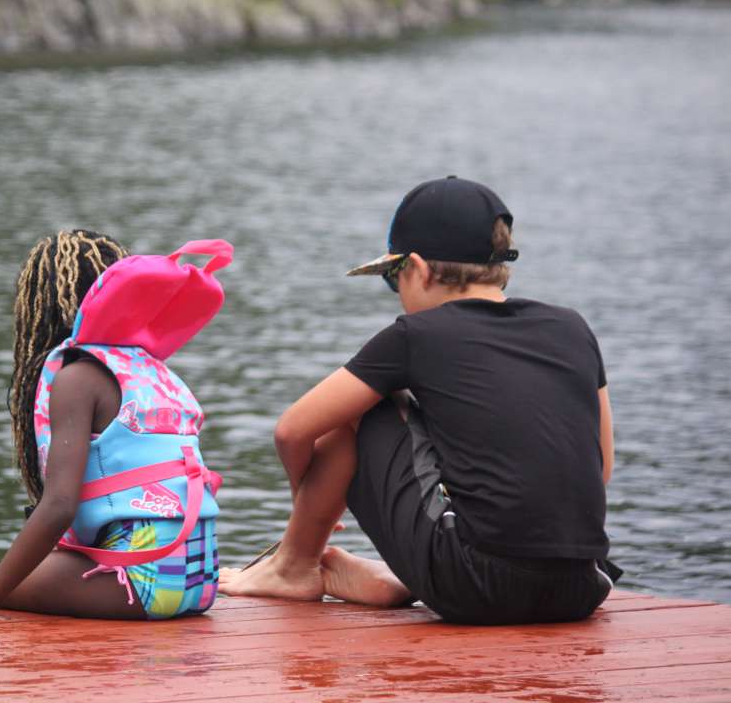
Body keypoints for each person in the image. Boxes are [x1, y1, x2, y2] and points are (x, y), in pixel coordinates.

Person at [220, 177, 619, 625]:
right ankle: (395, 574)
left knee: (357, 407)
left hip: (473, 586)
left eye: (393, 279)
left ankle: (294, 566)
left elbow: (292, 429)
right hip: (582, 587)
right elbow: (600, 467)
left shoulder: (416, 336)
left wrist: (307, 496)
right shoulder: (572, 329)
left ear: (417, 269)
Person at [0, 230, 229, 620]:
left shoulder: (78, 377)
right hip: (200, 582)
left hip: (144, 582)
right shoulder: (150, 371)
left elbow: (60, 505)